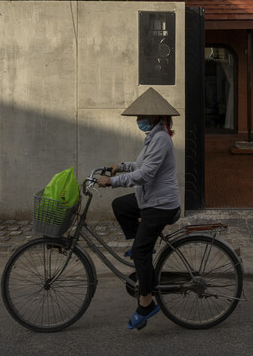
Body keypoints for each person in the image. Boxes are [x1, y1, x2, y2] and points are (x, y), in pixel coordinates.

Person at [97, 86, 181, 330]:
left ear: (154, 117)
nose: (138, 121)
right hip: (150, 199)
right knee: (120, 205)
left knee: (141, 252)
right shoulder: (153, 136)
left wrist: (113, 181)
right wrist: (120, 166)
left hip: (161, 204)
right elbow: (140, 165)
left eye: (141, 117)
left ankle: (146, 303)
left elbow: (145, 173)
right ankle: (141, 245)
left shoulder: (162, 139)